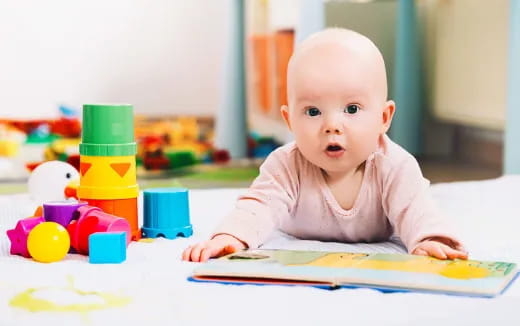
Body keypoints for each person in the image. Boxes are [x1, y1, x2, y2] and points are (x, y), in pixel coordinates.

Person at [183, 28, 468, 262]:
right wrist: (231, 236)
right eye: (312, 112)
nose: (332, 125)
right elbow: (258, 206)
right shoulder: (286, 165)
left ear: (383, 118)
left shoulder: (394, 166)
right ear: (290, 120)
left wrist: (431, 239)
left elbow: (415, 208)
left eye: (352, 109)